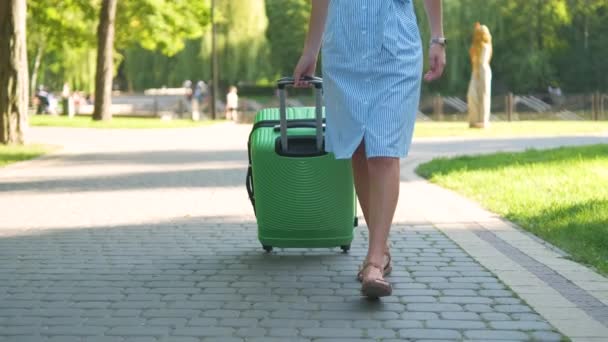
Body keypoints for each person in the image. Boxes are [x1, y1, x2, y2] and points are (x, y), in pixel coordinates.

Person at [293, 0, 446, 298]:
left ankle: (374, 261)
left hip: (394, 51)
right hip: (344, 52)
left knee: (384, 152)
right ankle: (382, 247)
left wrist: (437, 38)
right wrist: (310, 52)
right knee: (359, 149)